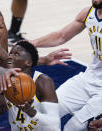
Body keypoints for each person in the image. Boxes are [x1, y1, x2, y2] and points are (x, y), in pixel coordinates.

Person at [30, 0, 102, 130]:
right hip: (89, 78)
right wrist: (32, 43)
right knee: (47, 113)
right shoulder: (88, 13)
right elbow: (61, 36)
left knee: (73, 127)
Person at [0, 40, 61, 131]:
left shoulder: (42, 82)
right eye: (10, 54)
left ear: (28, 62)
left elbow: (54, 126)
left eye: (16, 54)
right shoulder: (1, 82)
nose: (10, 57)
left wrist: (29, 110)